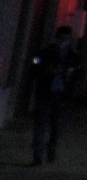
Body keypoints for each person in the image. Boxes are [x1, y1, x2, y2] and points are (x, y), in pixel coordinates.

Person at [30, 26, 81, 165]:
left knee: (56, 126)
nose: (64, 42)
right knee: (41, 124)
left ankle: (51, 148)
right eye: (62, 38)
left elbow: (78, 74)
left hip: (62, 94)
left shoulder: (74, 56)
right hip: (46, 92)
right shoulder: (46, 52)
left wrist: (69, 74)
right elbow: (34, 68)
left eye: (67, 39)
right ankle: (38, 154)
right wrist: (47, 71)